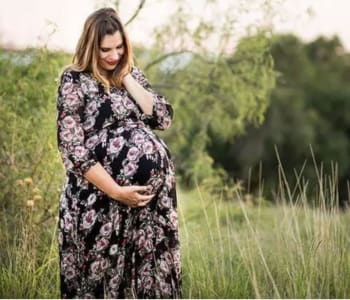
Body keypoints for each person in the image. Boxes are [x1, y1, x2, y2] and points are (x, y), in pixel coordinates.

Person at [56, 7, 181, 299]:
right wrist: (116, 191)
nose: (113, 55)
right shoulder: (74, 81)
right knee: (100, 287)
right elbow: (72, 148)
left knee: (145, 286)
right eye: (105, 50)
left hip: (148, 211)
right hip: (98, 203)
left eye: (119, 47)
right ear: (90, 47)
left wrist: (126, 78)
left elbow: (162, 117)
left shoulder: (131, 75)